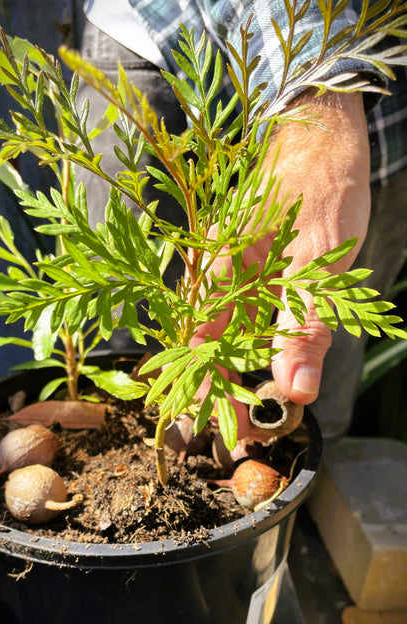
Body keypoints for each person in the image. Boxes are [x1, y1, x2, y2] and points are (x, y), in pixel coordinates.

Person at [78, 0, 407, 441]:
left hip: (383, 116)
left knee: (318, 370)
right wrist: (318, 97)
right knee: (142, 359)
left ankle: (294, 481)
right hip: (166, 40)